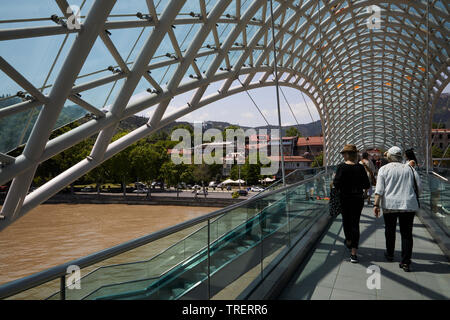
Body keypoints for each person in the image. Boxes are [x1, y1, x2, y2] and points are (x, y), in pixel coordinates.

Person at [373, 146, 422, 272]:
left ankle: (390, 254)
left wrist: (376, 205)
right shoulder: (409, 169)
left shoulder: (384, 169)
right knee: (406, 234)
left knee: (390, 230)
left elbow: (379, 190)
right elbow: (419, 187)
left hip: (390, 205)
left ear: (389, 156)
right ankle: (405, 262)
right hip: (408, 205)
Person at [333, 144, 371, 263]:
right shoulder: (360, 168)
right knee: (355, 223)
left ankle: (349, 240)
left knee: (346, 221)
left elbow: (336, 184)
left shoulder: (341, 167)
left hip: (344, 198)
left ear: (348, 154)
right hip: (357, 198)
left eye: (344, 153)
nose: (343, 155)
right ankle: (353, 253)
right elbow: (366, 184)